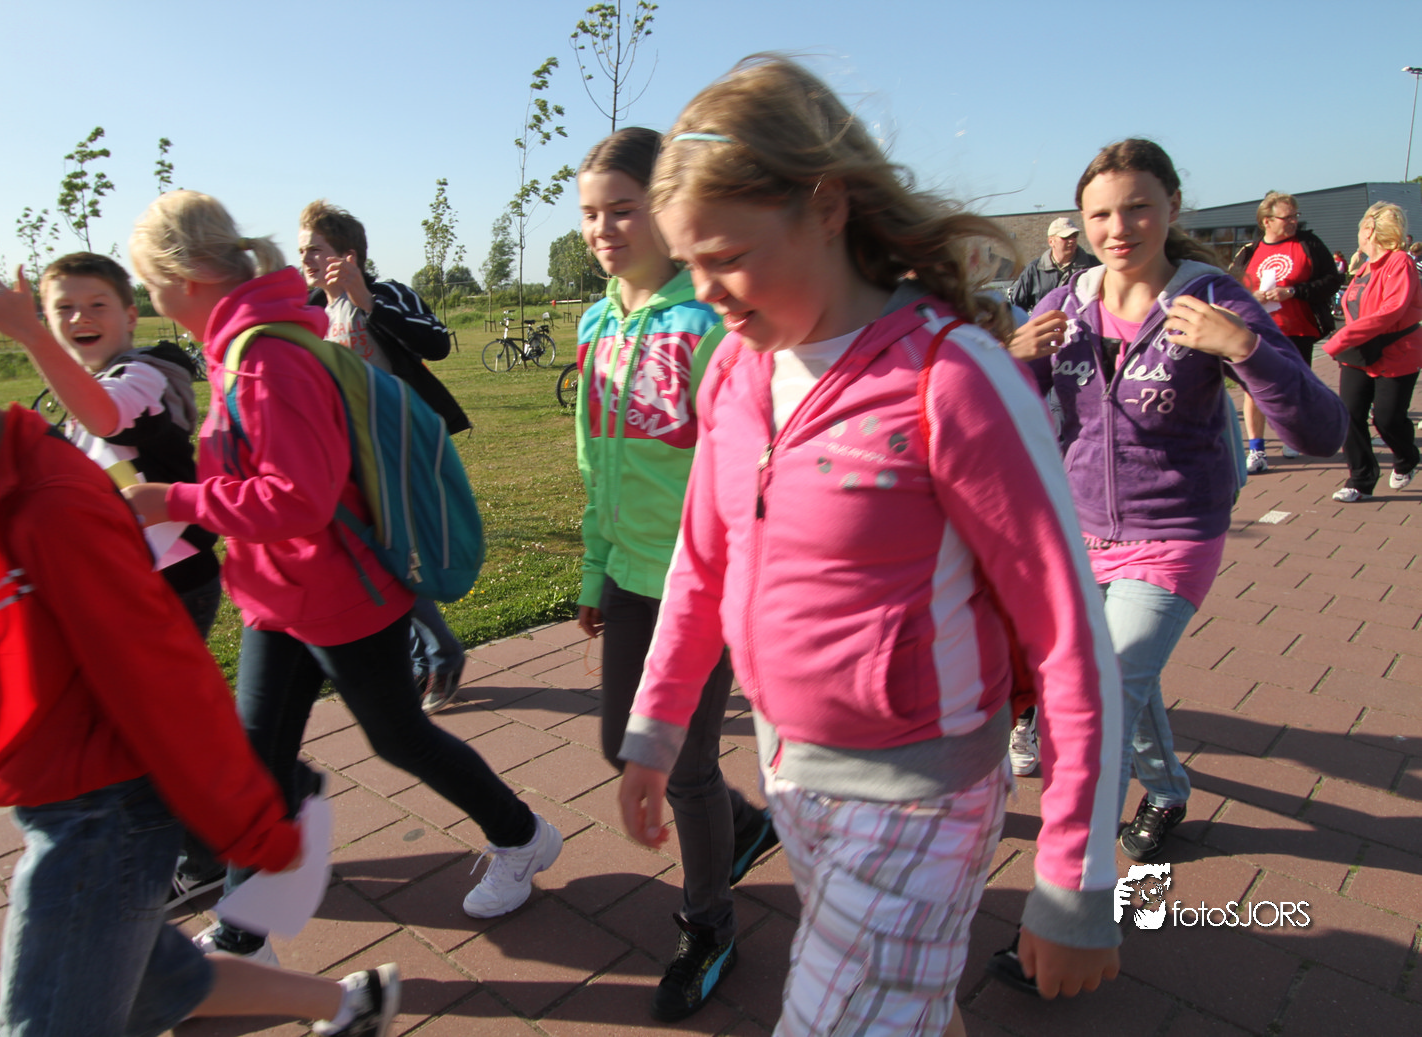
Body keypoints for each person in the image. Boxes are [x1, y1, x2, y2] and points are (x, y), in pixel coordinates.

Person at [615, 57, 1126, 1036]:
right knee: (900, 1007)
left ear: (825, 205)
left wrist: (1075, 872)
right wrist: (655, 728)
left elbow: (1070, 636)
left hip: (920, 796)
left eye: (726, 254)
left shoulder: (952, 378)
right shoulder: (734, 371)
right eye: (687, 261)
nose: (704, 290)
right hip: (790, 769)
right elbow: (700, 566)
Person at [0, 311, 398, 1037]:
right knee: (154, 982)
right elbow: (8, 682)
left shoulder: (50, 505)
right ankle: (351, 1003)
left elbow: (162, 677)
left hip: (100, 822)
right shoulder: (5, 493)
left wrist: (251, 825)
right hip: (78, 806)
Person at [121, 191, 561, 964]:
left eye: (149, 283)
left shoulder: (264, 358)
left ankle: (522, 836)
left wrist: (171, 500)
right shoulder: (240, 346)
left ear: (184, 276)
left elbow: (299, 498)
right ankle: (243, 935)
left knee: (398, 736)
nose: (149, 299)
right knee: (258, 763)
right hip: (277, 594)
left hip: (338, 593)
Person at [1025, 140, 1344, 867]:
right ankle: (1167, 790)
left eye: (1138, 207)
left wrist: (1245, 350)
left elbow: (1322, 432)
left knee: (1102, 696)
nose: (1118, 228)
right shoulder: (1063, 305)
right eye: (1100, 215)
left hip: (1172, 536)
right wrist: (1008, 360)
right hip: (1076, 537)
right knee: (1126, 677)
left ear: (1172, 206)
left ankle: (1073, 894)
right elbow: (992, 420)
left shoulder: (1213, 300)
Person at [0, 252, 231, 906]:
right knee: (150, 721)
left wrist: (30, 335)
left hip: (170, 581)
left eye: (96, 305)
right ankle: (255, 795)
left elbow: (107, 417)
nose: (79, 318)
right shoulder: (86, 384)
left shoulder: (144, 374)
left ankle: (208, 852)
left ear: (130, 314)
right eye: (62, 309)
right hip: (128, 584)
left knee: (144, 727)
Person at [573, 126, 779, 1022]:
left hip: (704, 582)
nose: (603, 229)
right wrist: (595, 567)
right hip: (629, 572)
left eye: (622, 210)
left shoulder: (707, 323)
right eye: (590, 214)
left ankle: (708, 924)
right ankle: (744, 825)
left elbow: (739, 466)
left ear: (663, 210)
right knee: (622, 744)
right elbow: (593, 458)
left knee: (682, 767)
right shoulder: (594, 322)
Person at [297, 200, 470, 714]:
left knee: (395, 554)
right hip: (342, 455)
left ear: (347, 255)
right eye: (302, 249)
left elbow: (435, 344)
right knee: (373, 556)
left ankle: (432, 656)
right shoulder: (308, 312)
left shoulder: (386, 293)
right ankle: (429, 655)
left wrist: (366, 300)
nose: (305, 259)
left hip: (399, 447)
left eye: (315, 249)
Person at [1003, 219, 1100, 777]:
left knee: (1048, 620)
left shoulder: (1025, 312)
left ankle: (1027, 722)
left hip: (1056, 488)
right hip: (966, 499)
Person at [1228, 192, 1342, 469]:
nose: (1293, 222)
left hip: (1297, 330)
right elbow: (1230, 288)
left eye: (1295, 216)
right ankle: (1257, 450)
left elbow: (1332, 280)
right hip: (1257, 330)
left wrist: (1294, 291)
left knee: (1293, 389)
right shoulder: (1250, 251)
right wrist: (1251, 296)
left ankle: (1292, 436)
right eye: (1286, 217)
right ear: (1267, 221)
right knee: (1253, 388)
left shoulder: (1308, 244)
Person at [1322, 202, 1422, 501]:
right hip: (1361, 353)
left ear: (1369, 230)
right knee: (1349, 414)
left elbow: (1391, 310)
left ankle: (1407, 458)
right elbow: (1355, 308)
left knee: (1387, 419)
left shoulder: (1400, 262)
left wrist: (1340, 340)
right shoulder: (1364, 267)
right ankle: (1360, 480)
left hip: (1397, 352)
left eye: (1360, 228)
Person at [1007, 216, 1100, 314]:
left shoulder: (1093, 266)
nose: (1072, 240)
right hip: (1045, 323)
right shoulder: (1035, 269)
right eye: (1066, 237)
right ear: (1051, 241)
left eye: (1074, 236)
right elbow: (1017, 307)